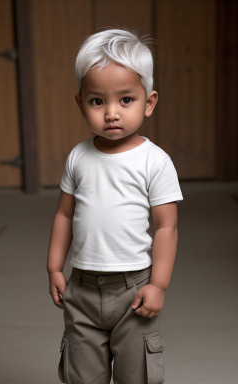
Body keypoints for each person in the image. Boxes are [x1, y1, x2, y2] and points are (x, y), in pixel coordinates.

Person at [47, 28, 183, 384]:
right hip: (82, 288)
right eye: (97, 101)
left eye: (126, 100)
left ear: (148, 102)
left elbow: (166, 227)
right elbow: (64, 214)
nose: (111, 113)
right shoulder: (79, 157)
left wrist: (159, 285)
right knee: (82, 373)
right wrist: (54, 267)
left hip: (134, 288)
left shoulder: (154, 161)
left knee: (136, 374)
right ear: (81, 103)